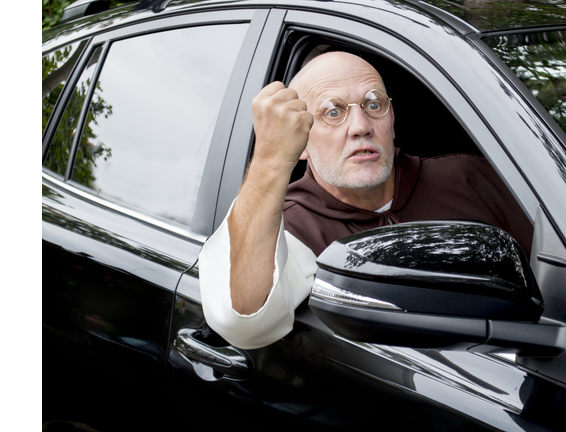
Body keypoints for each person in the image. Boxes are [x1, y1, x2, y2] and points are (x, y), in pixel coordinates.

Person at [199, 52, 533, 349]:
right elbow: (242, 325)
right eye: (333, 112)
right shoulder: (288, 226)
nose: (361, 126)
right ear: (300, 142)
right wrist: (270, 158)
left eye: (374, 104)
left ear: (392, 121)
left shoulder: (469, 178)